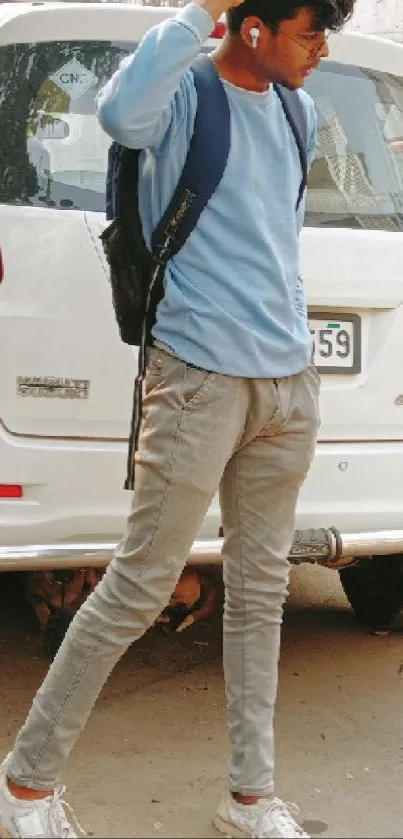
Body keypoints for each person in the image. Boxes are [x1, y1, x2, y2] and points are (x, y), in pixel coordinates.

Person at [0, 0, 354, 836]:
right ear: (254, 26)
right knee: (137, 584)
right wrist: (202, 10)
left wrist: (296, 358)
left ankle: (248, 798)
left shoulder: (299, 110)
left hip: (285, 386)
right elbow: (121, 114)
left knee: (260, 594)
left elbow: (271, 239)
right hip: (197, 381)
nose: (322, 48)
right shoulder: (188, 95)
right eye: (310, 30)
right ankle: (25, 786)